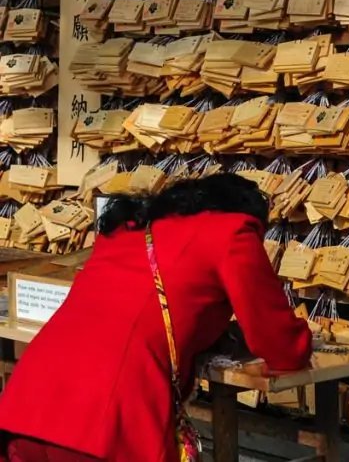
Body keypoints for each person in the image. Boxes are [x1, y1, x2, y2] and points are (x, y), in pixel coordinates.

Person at [0, 173, 313, 462]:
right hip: (104, 426)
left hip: (27, 409)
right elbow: (281, 345)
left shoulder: (128, 231)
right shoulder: (231, 231)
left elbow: (140, 310)